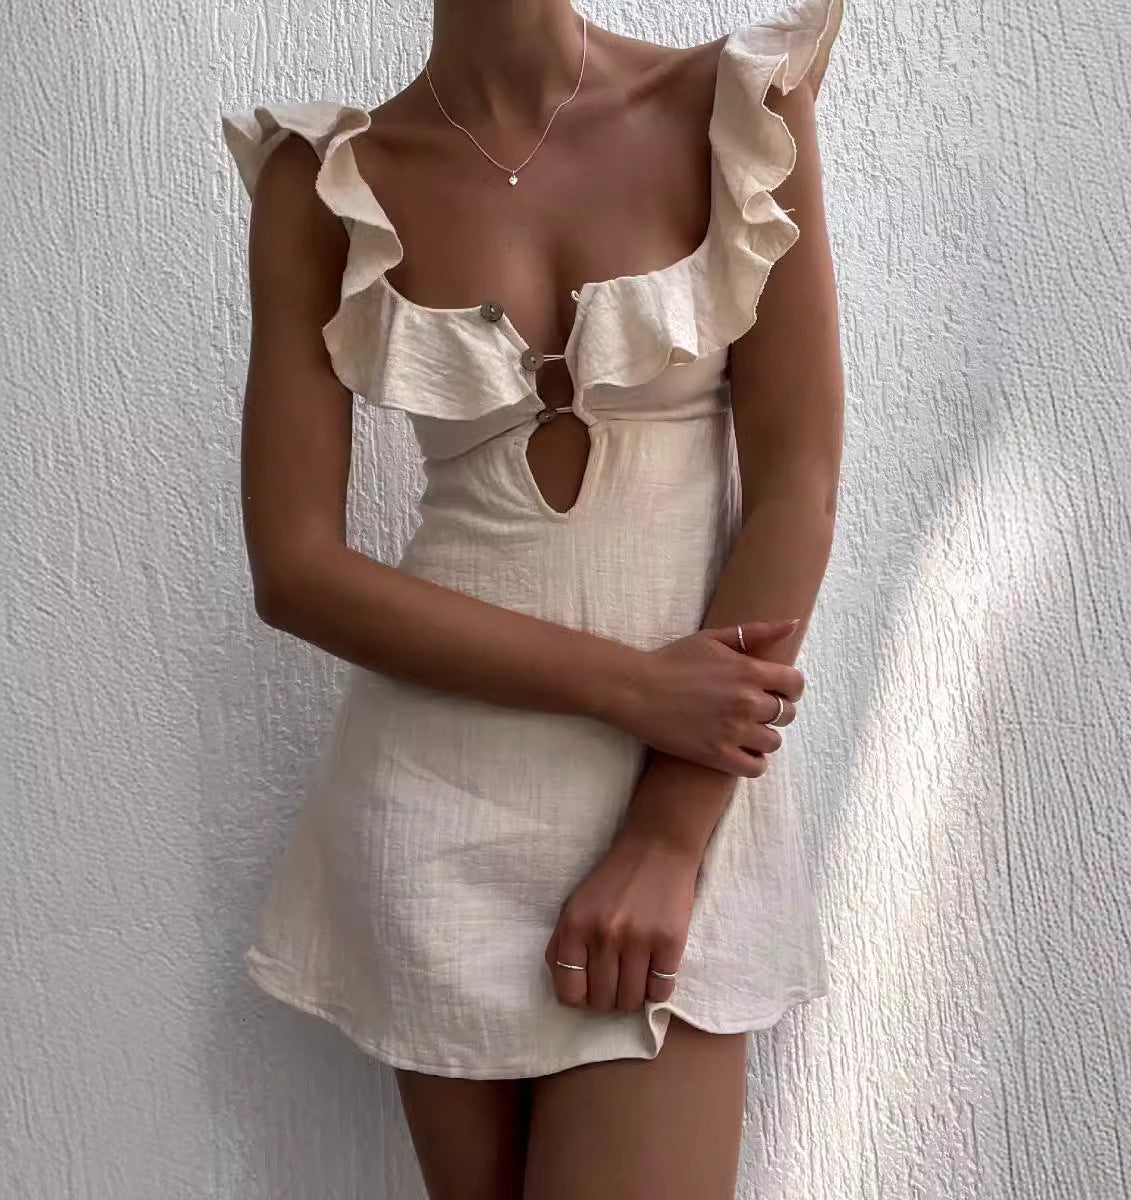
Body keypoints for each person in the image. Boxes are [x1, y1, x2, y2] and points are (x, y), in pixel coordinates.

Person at [220, 0, 845, 1194]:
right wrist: (636, 687)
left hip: (680, 796)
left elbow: (798, 491)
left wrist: (668, 835)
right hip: (437, 813)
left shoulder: (737, 108)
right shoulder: (325, 182)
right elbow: (295, 570)